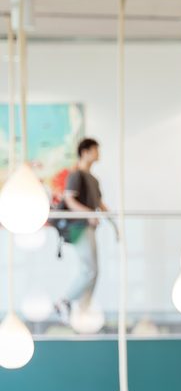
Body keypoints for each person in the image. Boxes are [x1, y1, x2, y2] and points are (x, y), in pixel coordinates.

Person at [54, 138, 116, 323]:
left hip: (89, 227)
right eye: (95, 150)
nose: (98, 153)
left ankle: (84, 306)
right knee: (89, 270)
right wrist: (89, 213)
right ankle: (63, 302)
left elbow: (100, 204)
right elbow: (70, 201)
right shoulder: (76, 176)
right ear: (85, 151)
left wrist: (113, 220)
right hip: (78, 227)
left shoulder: (93, 179)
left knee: (94, 271)